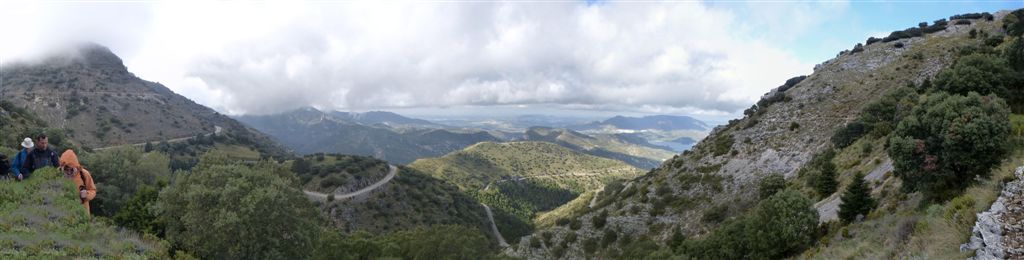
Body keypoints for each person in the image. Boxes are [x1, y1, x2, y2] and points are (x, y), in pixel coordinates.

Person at [59, 150, 97, 215]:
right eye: (66, 169)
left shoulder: (84, 174)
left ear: (75, 166)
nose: (69, 172)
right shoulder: (56, 175)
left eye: (71, 169)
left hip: (82, 213)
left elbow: (93, 190)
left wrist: (87, 194)